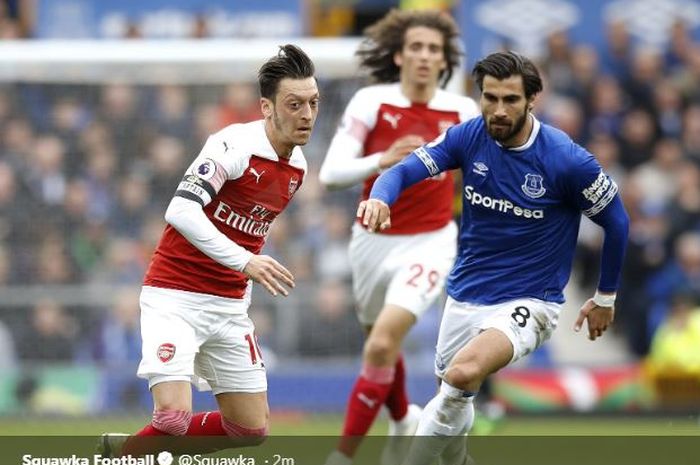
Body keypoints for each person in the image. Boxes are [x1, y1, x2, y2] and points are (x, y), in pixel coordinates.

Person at [358, 51, 629, 465]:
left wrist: (605, 297)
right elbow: (404, 170)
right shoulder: (468, 137)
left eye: (510, 100)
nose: (498, 110)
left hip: (530, 301)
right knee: (451, 409)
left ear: (532, 99)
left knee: (463, 376)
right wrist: (380, 196)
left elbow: (618, 222)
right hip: (464, 296)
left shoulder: (566, 160)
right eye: (490, 98)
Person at [99, 44, 319, 457]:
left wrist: (243, 282)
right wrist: (246, 262)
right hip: (176, 296)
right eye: (294, 104)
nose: (306, 114)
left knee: (250, 430)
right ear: (267, 108)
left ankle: (127, 450)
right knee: (171, 418)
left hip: (228, 306)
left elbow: (247, 231)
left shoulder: (299, 168)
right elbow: (180, 210)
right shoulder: (233, 144)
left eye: (313, 103)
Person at [318, 9, 478, 465]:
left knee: (382, 343)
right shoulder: (372, 102)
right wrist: (381, 160)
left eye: (434, 49)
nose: (426, 56)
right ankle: (403, 419)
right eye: (417, 47)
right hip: (371, 238)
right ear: (399, 55)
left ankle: (342, 456)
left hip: (430, 241)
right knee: (380, 347)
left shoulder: (462, 110)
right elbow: (330, 175)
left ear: (444, 60)